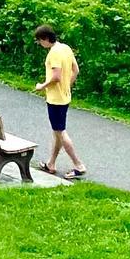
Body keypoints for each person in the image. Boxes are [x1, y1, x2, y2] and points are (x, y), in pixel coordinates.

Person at [32, 24, 86, 179]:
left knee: (60, 132)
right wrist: (67, 85)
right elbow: (76, 70)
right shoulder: (65, 48)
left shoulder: (54, 53)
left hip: (55, 99)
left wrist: (42, 86)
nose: (40, 44)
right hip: (65, 97)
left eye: (39, 41)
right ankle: (51, 164)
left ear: (45, 39)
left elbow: (55, 77)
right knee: (57, 132)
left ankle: (78, 165)